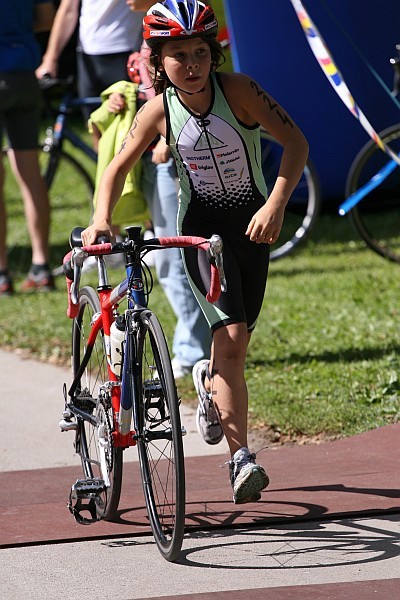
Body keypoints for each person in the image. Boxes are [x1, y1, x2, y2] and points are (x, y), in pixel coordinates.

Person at [81, 0, 309, 504]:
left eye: (200, 52)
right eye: (178, 55)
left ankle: (208, 384)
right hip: (202, 237)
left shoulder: (240, 91)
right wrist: (102, 217)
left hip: (252, 227)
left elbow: (295, 143)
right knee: (229, 338)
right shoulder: (159, 110)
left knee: (238, 343)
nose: (191, 64)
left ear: (214, 53)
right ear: (158, 63)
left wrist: (274, 205)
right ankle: (240, 460)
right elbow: (116, 167)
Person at [0, 0, 56, 296]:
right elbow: (46, 20)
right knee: (31, 177)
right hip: (24, 73)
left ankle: (1, 273)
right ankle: (41, 266)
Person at [36, 0, 144, 119]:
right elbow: (67, 10)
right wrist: (50, 59)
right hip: (87, 55)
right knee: (93, 123)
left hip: (127, 51)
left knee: (130, 126)